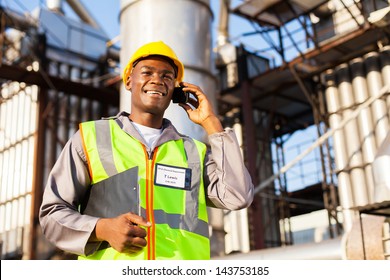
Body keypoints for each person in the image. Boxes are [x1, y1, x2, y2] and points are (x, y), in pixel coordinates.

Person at [39, 41, 254, 260]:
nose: (157, 80)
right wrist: (101, 229)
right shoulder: (91, 138)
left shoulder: (193, 152)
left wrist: (211, 123)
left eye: (167, 76)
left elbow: (238, 196)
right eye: (147, 72)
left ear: (176, 91)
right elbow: (52, 215)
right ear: (129, 81)